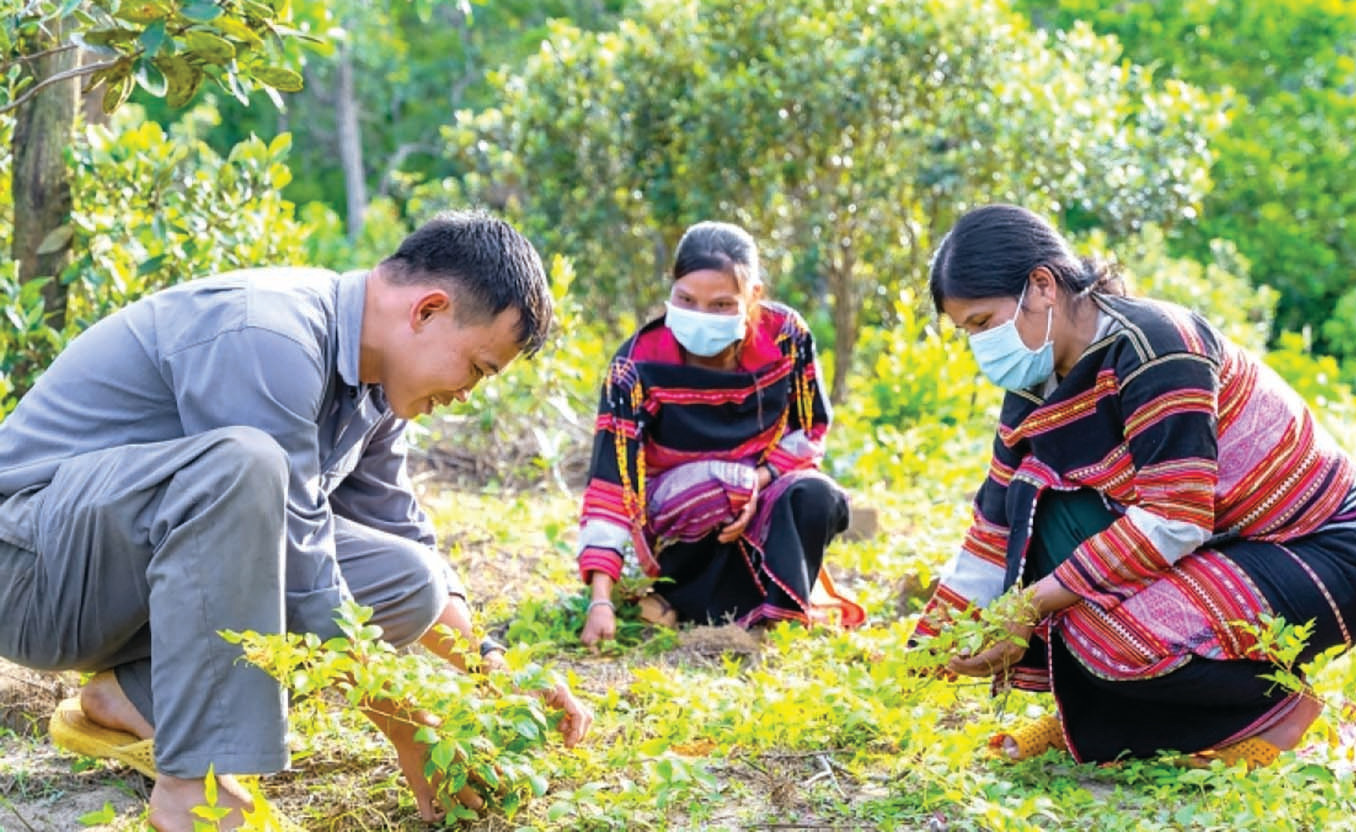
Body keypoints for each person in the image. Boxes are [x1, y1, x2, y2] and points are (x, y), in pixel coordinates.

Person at [0, 211, 593, 831]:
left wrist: (497, 670)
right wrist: (410, 730)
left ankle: (131, 697)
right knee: (246, 467)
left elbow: (396, 533)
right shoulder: (270, 334)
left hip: (131, 583)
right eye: (477, 367)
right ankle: (193, 790)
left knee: (411, 579)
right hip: (36, 574)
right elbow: (303, 567)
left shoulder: (375, 386)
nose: (468, 392)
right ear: (427, 310)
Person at [914, 204, 1356, 766]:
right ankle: (1109, 715)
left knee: (1105, 638)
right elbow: (995, 521)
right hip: (1219, 544)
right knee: (1038, 516)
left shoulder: (1157, 347)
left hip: (1318, 551)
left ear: (1042, 286)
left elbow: (1176, 516)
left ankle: (1283, 710)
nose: (979, 345)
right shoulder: (1035, 385)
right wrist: (938, 642)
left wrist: (1031, 602)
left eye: (982, 323)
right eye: (964, 332)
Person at [577, 221, 862, 647]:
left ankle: (770, 613)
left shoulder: (787, 336)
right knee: (720, 484)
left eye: (722, 304)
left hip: (758, 492)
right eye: (686, 299)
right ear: (670, 291)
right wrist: (600, 600)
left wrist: (758, 483)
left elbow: (810, 431)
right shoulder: (636, 365)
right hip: (675, 516)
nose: (700, 316)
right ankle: (672, 594)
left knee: (818, 497)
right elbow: (612, 485)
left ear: (754, 297)